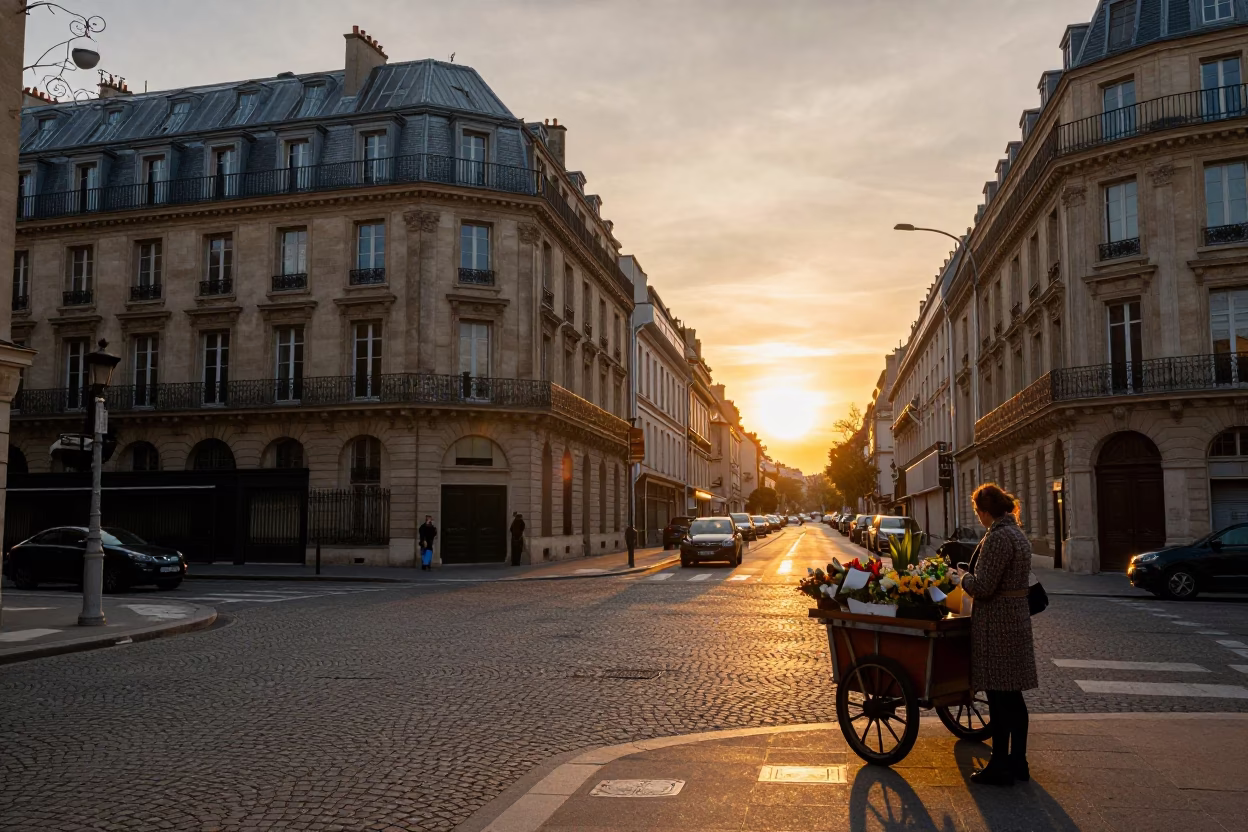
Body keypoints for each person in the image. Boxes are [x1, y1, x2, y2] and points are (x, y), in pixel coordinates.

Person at [956, 483, 1037, 787]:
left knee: (999, 698)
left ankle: (1000, 765)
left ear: (985, 511)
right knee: (1013, 698)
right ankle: (1019, 761)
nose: (978, 517)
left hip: (997, 626)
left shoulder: (998, 537)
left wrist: (963, 577)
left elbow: (984, 587)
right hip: (1015, 619)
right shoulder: (1016, 533)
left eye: (978, 512)